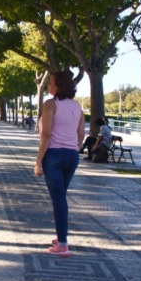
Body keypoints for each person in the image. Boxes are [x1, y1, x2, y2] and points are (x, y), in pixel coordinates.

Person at [34, 71, 85, 257]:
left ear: (58, 86)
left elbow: (46, 135)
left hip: (54, 155)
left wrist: (38, 161)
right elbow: (81, 135)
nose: (48, 85)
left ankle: (62, 244)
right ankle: (61, 236)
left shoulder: (50, 104)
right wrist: (73, 148)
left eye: (51, 82)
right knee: (60, 197)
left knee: (59, 200)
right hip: (72, 156)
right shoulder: (77, 107)